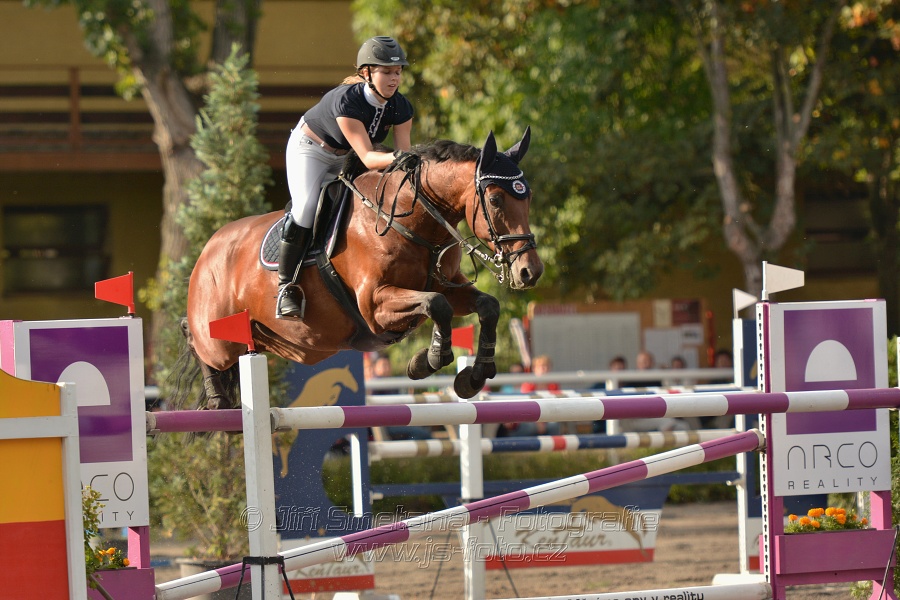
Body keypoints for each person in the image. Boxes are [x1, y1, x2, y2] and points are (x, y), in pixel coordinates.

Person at [277, 36, 415, 319]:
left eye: (398, 72)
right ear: (366, 73)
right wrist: (406, 158)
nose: (394, 79)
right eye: (387, 72)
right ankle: (286, 286)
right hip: (311, 150)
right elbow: (370, 158)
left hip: (345, 156)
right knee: (306, 208)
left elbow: (402, 159)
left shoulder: (401, 107)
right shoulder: (347, 101)